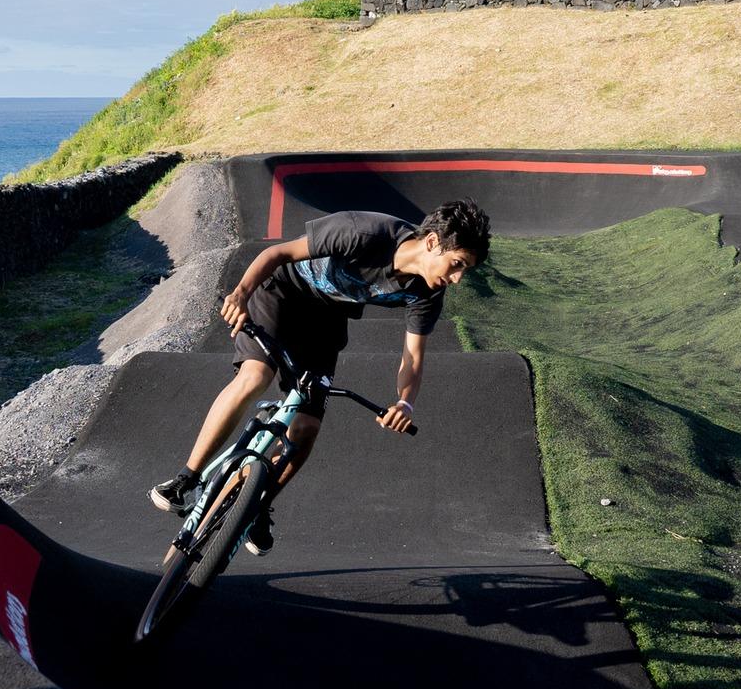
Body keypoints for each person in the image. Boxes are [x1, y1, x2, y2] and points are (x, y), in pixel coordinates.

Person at [149, 201, 492, 556]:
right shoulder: (363, 232)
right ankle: (185, 479)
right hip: (281, 293)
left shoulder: (428, 292)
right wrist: (240, 294)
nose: (457, 279)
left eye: (464, 270)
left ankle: (257, 506)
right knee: (255, 378)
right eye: (457, 265)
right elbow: (278, 253)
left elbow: (413, 358)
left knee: (307, 428)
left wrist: (405, 401)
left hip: (324, 323)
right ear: (433, 242)